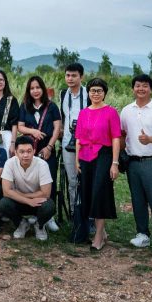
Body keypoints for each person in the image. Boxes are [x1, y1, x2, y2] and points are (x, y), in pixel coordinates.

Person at [120, 74, 152, 252]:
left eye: (145, 86)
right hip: (133, 161)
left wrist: (150, 139)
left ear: (151, 89)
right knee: (137, 199)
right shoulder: (126, 110)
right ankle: (142, 234)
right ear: (133, 88)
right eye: (137, 86)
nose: (141, 89)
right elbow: (122, 134)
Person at [73, 77, 121, 250]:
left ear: (104, 93)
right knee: (87, 194)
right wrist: (77, 160)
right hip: (85, 155)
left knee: (100, 192)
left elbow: (116, 138)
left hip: (104, 154)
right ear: (88, 93)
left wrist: (115, 163)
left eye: (99, 91)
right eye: (93, 90)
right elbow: (78, 138)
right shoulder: (83, 112)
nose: (95, 94)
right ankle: (102, 231)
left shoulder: (111, 112)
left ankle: (98, 236)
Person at [15, 75, 63, 232]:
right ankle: (31, 213)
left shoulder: (52, 107)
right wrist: (33, 131)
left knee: (49, 181)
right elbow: (20, 127)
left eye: (38, 87)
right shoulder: (25, 106)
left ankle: (48, 217)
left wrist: (49, 147)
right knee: (31, 181)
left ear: (42, 89)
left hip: (46, 148)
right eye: (32, 88)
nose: (35, 91)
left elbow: (57, 128)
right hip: (29, 150)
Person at [0, 136, 55, 241]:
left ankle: (40, 225)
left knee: (49, 206)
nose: (26, 155)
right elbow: (6, 191)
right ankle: (21, 223)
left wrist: (25, 197)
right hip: (19, 202)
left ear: (34, 151)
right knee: (4, 203)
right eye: (22, 151)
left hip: (37, 202)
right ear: (15, 152)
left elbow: (46, 193)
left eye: (29, 151)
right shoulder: (10, 163)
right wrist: (28, 201)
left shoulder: (42, 164)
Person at [59, 62, 89, 217]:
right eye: (67, 75)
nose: (70, 78)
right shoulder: (63, 94)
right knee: (72, 180)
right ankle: (74, 213)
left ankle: (88, 214)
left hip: (87, 144)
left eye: (74, 75)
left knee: (86, 180)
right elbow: (62, 118)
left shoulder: (89, 94)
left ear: (81, 77)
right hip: (68, 143)